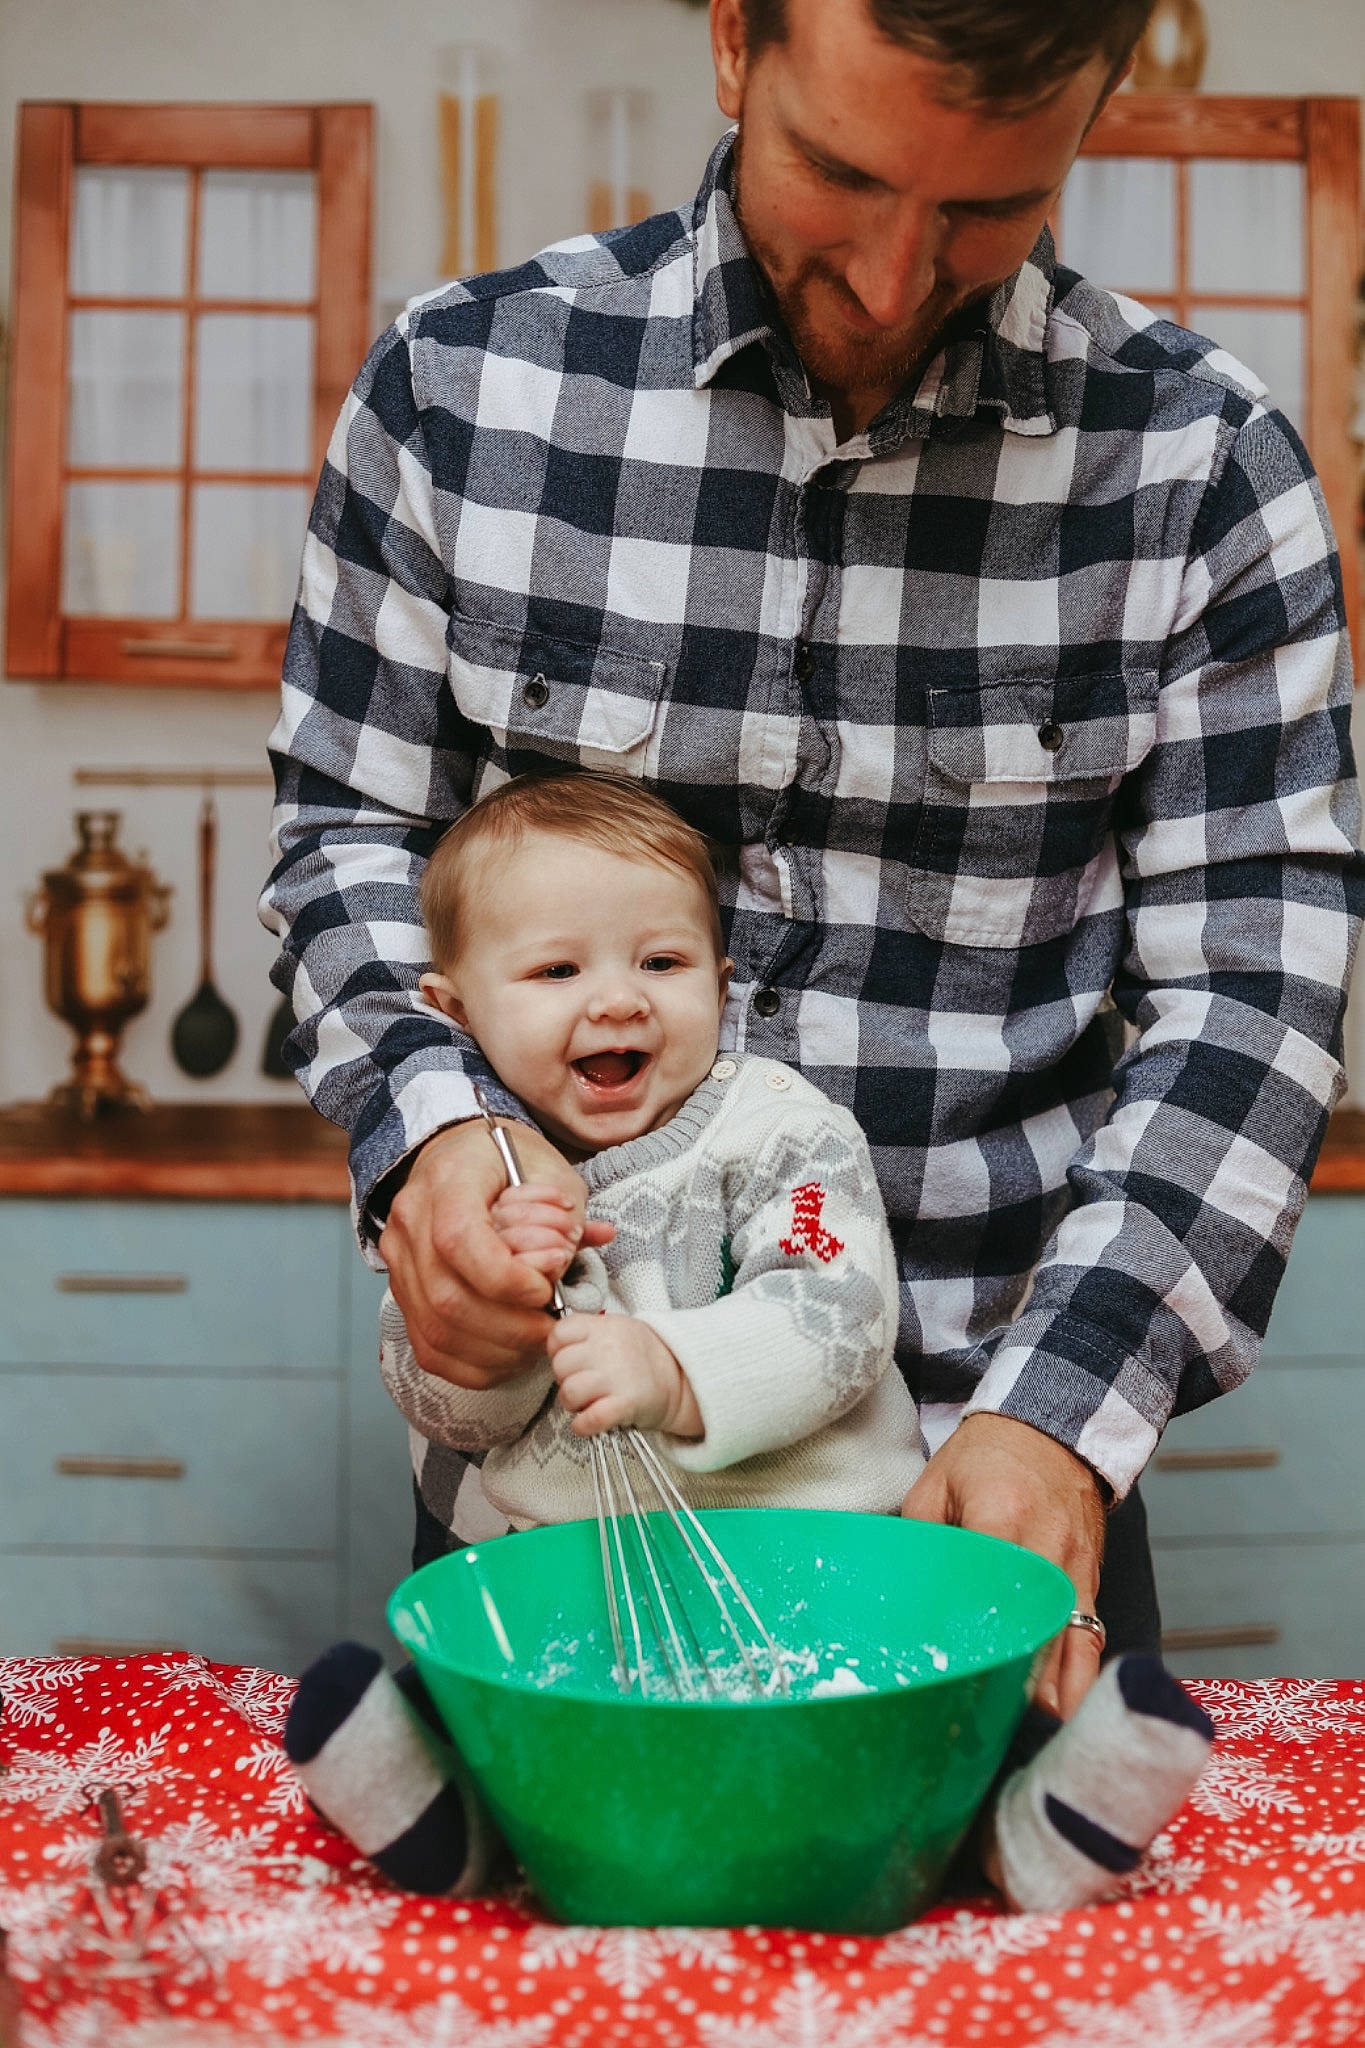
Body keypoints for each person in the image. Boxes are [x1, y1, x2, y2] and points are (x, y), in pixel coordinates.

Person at [262, 0, 1364, 1722]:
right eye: (840, 173)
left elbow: (1254, 993)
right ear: (733, 45)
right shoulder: (462, 395)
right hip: (574, 1482)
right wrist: (429, 1144)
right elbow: (349, 832)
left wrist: (1057, 1416)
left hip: (988, 1467)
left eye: (986, 208)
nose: (887, 278)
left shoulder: (1204, 471)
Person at [283, 770, 1216, 1914]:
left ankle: (1028, 1820)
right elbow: (451, 1405)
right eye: (558, 969)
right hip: (580, 1598)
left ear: (723, 982)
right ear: (455, 1012)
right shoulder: (478, 1181)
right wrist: (488, 1341)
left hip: (817, 1587)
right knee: (516, 1737)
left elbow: (833, 1313)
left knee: (923, 1752)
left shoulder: (781, 1131)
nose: (619, 1001)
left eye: (663, 963)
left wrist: (674, 1370)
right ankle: (459, 1825)